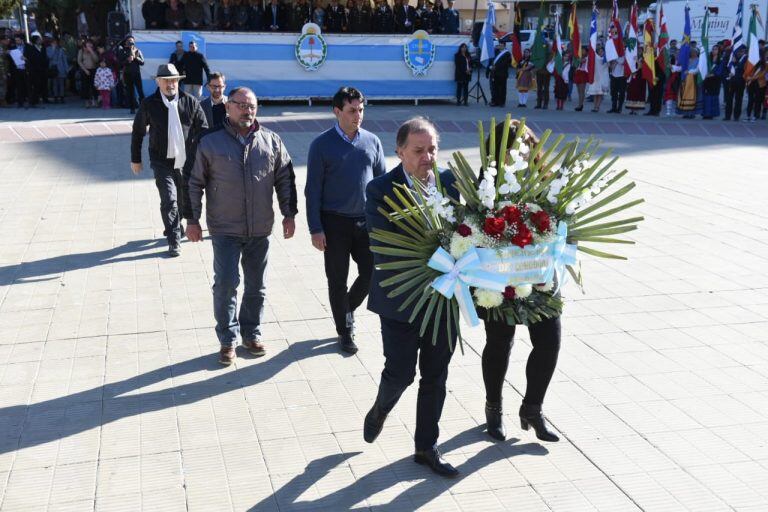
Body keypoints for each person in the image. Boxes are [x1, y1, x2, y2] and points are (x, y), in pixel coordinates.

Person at [363, 117, 460, 478]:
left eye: (432, 148)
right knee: (401, 372)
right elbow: (381, 244)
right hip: (401, 298)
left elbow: (467, 228)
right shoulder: (380, 190)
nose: (427, 157)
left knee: (436, 375)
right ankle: (380, 410)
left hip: (444, 299)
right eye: (418, 150)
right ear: (400, 151)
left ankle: (426, 446)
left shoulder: (450, 182)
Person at [185, 87, 298, 365]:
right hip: (224, 228)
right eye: (242, 106)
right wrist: (192, 219)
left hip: (260, 228)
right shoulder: (209, 142)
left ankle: (251, 333)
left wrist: (289, 213)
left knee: (256, 286)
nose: (248, 111)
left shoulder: (271, 141)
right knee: (225, 284)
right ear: (227, 107)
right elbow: (193, 182)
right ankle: (227, 339)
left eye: (252, 106)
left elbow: (285, 178)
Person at [480, 120, 561, 445]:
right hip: (500, 278)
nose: (523, 153)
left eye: (528, 146)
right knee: (500, 343)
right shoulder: (487, 183)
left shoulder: (548, 182)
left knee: (550, 342)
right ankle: (493, 407)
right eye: (516, 147)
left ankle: (532, 407)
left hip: (540, 274)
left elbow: (561, 222)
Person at [305, 87, 386, 353]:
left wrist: (385, 221)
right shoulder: (321, 145)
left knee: (372, 272)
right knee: (337, 279)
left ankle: (346, 308)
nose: (358, 116)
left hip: (365, 223)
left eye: (361, 110)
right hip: (334, 224)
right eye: (352, 111)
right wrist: (316, 228)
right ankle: (345, 330)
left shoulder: (372, 141)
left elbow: (382, 184)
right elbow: (312, 189)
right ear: (337, 111)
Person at [130, 64, 208, 257]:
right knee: (169, 199)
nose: (170, 84)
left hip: (186, 160)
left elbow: (204, 132)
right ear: (158, 82)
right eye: (166, 80)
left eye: (173, 80)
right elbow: (138, 132)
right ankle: (173, 239)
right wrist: (135, 159)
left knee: (182, 199)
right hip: (160, 160)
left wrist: (206, 159)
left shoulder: (190, 102)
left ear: (178, 81)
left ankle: (177, 224)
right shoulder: (149, 104)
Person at [120, 36, 145, 114]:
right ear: (126, 42)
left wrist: (135, 57)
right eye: (129, 41)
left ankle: (144, 107)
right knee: (130, 91)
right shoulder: (123, 51)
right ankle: (132, 108)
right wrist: (128, 60)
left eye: (132, 41)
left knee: (140, 91)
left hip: (136, 73)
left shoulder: (137, 51)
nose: (130, 42)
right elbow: (120, 63)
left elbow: (142, 62)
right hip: (127, 74)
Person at [24, 34, 49, 106]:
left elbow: (45, 57)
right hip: (34, 70)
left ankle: (45, 98)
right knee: (36, 85)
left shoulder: (43, 47)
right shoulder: (31, 49)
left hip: (43, 69)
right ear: (35, 41)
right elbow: (29, 59)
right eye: (39, 39)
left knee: (44, 84)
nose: (40, 40)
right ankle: (34, 100)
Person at [677, 48, 701, 119]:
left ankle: (691, 113)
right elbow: (682, 68)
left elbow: (698, 70)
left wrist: (689, 72)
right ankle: (685, 113)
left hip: (693, 81)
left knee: (692, 97)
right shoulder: (687, 60)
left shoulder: (699, 60)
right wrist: (673, 67)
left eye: (694, 52)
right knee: (685, 96)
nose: (692, 53)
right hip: (685, 80)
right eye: (691, 52)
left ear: (697, 53)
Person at [724, 46, 746, 121]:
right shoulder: (730, 57)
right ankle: (727, 116)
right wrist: (728, 75)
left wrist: (735, 62)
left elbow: (743, 68)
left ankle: (736, 116)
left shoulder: (746, 59)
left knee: (738, 99)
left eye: (742, 51)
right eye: (738, 51)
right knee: (729, 99)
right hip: (731, 81)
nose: (740, 53)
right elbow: (726, 68)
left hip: (740, 82)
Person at [702, 45, 724, 119]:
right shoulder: (709, 59)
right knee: (706, 96)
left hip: (715, 80)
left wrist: (712, 74)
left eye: (716, 49)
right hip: (707, 80)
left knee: (713, 97)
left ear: (718, 51)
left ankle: (711, 114)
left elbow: (720, 70)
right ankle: (705, 113)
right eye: (713, 49)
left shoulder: (720, 59)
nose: (714, 50)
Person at [488, 41, 511, 107]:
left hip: (502, 74)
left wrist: (495, 67)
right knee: (495, 88)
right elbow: (492, 60)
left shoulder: (507, 54)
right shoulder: (496, 52)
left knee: (502, 89)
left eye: (501, 45)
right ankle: (495, 101)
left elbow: (505, 63)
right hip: (495, 73)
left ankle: (502, 102)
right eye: (499, 45)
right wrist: (490, 67)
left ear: (504, 46)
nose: (500, 46)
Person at [77, 39, 99, 108]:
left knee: (94, 86)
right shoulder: (81, 51)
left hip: (93, 70)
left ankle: (95, 101)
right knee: (85, 86)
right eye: (88, 44)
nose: (89, 45)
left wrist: (91, 51)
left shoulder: (94, 51)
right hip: (85, 70)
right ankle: (87, 101)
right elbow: (79, 61)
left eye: (90, 44)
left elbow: (96, 60)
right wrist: (85, 69)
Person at [587, 46, 609, 112]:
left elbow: (609, 65)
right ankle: (595, 106)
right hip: (596, 77)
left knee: (600, 93)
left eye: (602, 51)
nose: (601, 52)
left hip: (603, 78)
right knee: (595, 93)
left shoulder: (606, 59)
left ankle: (597, 107)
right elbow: (592, 52)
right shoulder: (595, 57)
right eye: (600, 51)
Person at [745, 55, 766, 122]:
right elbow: (746, 71)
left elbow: (762, 75)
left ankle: (755, 116)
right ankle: (748, 116)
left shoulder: (765, 65)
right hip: (751, 84)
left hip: (759, 84)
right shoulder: (751, 64)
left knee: (758, 100)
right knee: (750, 100)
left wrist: (751, 78)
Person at [8, 37, 28, 108]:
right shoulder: (12, 48)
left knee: (27, 85)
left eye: (18, 40)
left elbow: (31, 56)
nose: (17, 41)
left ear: (22, 40)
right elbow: (10, 59)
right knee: (19, 86)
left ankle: (31, 101)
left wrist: (26, 58)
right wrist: (9, 53)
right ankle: (20, 102)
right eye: (16, 40)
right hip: (17, 69)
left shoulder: (27, 47)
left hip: (26, 69)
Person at [572, 46, 588, 111]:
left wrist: (577, 58)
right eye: (581, 50)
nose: (582, 51)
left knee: (582, 90)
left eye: (583, 50)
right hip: (578, 73)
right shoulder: (578, 56)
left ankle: (580, 105)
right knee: (579, 91)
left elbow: (581, 61)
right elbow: (575, 64)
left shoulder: (587, 57)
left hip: (583, 73)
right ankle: (580, 103)